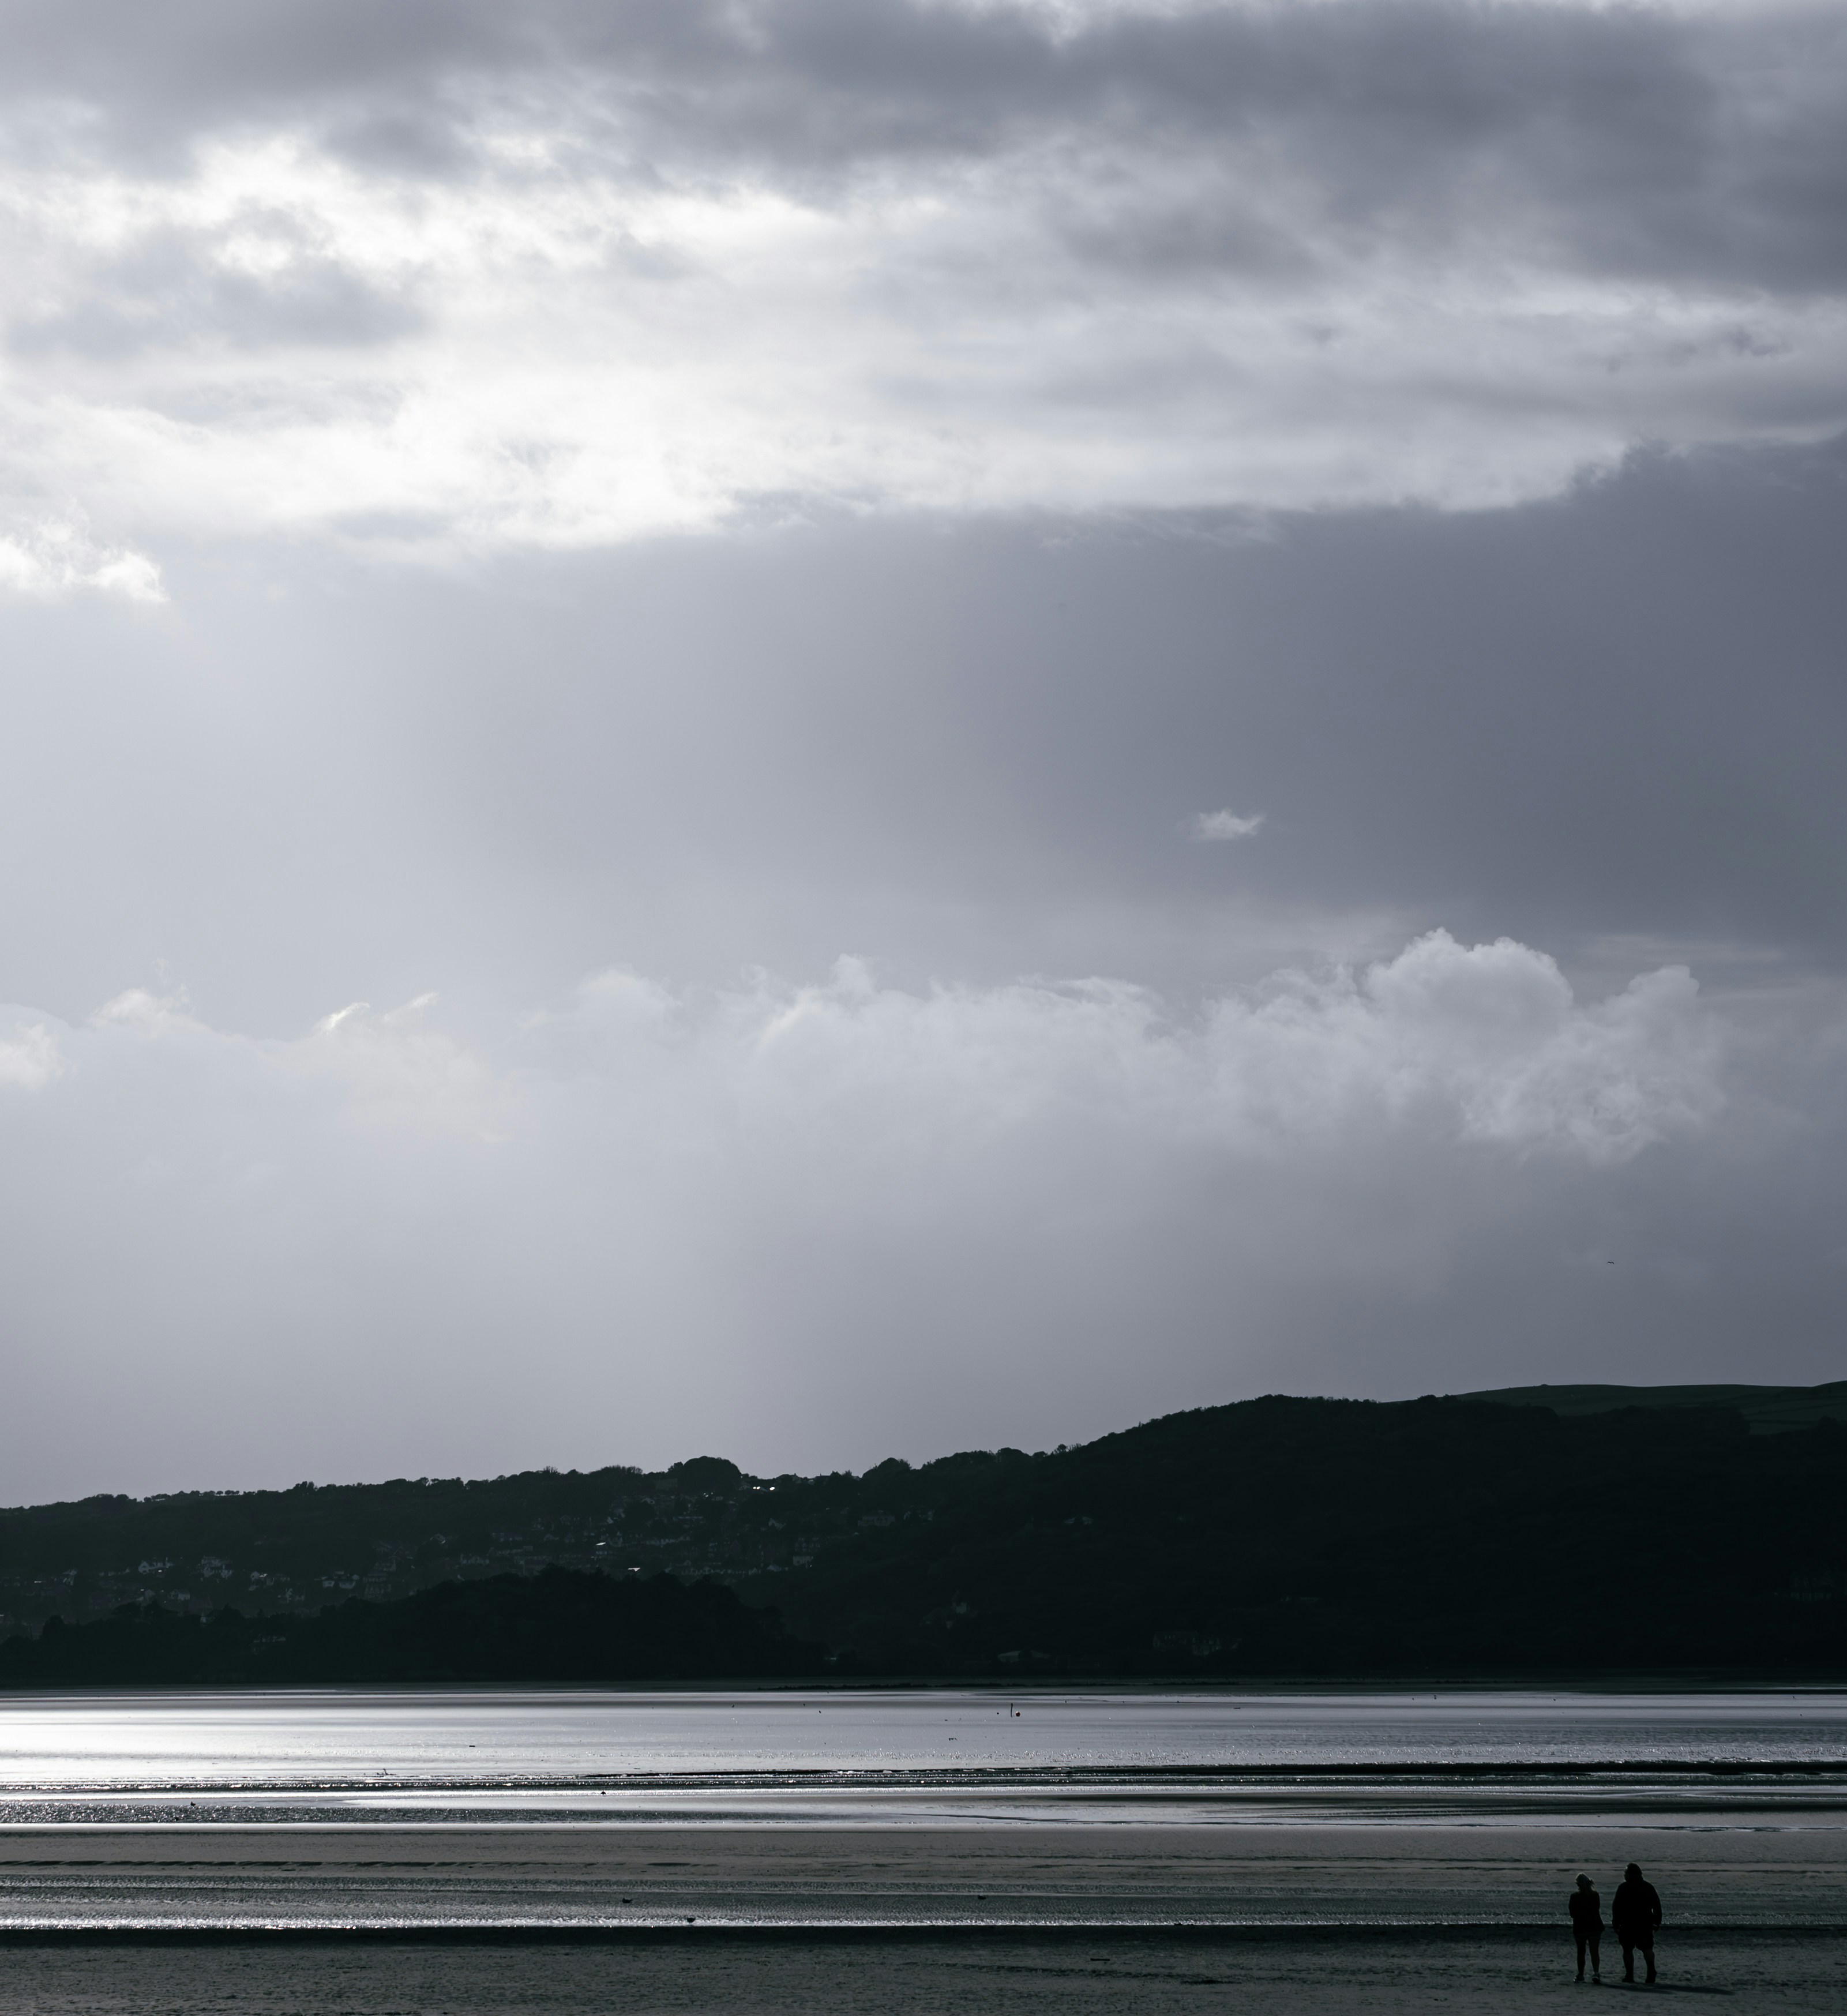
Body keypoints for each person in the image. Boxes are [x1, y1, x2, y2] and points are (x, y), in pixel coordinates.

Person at [1611, 1861, 1662, 1983]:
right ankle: (1651, 1971)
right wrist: (1656, 1922)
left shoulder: (1623, 1887)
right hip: (1645, 1923)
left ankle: (1630, 1975)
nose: (1624, 1875)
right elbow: (1657, 1906)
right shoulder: (1648, 1887)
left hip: (1628, 1923)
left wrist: (1615, 1923)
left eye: (1625, 1873)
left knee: (1628, 1950)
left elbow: (1616, 1907)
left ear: (1629, 1874)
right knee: (1647, 1949)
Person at [1568, 1873, 1603, 1981]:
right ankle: (1596, 1973)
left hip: (1580, 1927)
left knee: (1581, 1952)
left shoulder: (1574, 1897)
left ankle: (1581, 1974)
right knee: (1594, 1951)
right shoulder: (1595, 1895)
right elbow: (1597, 1909)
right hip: (1595, 1926)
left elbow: (1572, 1914)